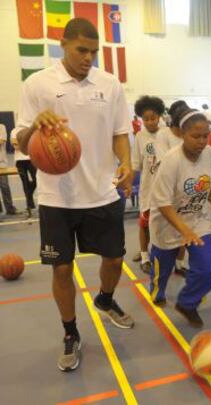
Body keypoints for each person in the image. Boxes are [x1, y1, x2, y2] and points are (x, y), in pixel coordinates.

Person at [15, 18, 134, 372]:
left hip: (102, 192)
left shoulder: (109, 84)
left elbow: (120, 132)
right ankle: (71, 333)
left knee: (114, 260)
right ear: (62, 43)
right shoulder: (37, 84)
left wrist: (126, 162)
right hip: (57, 197)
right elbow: (20, 140)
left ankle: (105, 298)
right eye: (81, 50)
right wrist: (36, 126)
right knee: (62, 269)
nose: (88, 58)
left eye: (94, 52)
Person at [149, 108, 211, 328]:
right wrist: (184, 231)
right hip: (167, 224)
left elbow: (209, 184)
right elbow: (162, 204)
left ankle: (187, 303)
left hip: (198, 220)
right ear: (182, 134)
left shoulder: (210, 153)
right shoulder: (171, 161)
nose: (202, 141)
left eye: (205, 135)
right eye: (195, 136)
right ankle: (158, 290)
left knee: (206, 269)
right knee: (162, 271)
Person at [156, 100, 190, 277]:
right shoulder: (164, 135)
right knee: (167, 234)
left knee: (183, 230)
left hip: (185, 191)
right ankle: (161, 267)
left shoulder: (188, 134)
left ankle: (179, 263)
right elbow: (164, 162)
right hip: (168, 191)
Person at [132, 95, 165, 274]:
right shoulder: (139, 136)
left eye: (153, 118)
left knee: (163, 225)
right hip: (148, 188)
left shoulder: (167, 133)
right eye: (146, 119)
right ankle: (145, 256)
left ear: (159, 116)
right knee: (144, 224)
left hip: (166, 189)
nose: (150, 122)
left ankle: (163, 255)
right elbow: (136, 163)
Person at [0, 123, 19, 216]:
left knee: (4, 187)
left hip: (1, 163)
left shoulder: (2, 127)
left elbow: (1, 141)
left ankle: (10, 209)